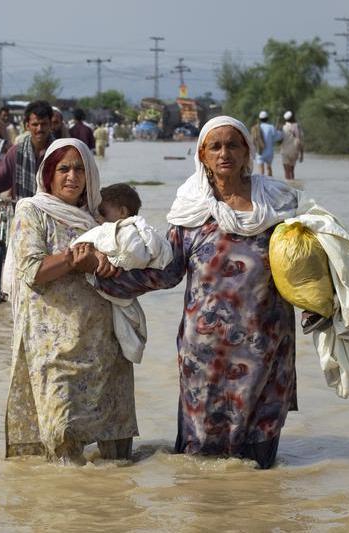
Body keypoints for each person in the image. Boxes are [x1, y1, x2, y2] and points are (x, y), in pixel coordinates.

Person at [91, 116, 301, 469]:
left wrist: (326, 306)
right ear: (202, 155)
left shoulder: (275, 205)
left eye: (233, 145)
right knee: (200, 461)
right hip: (206, 353)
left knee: (259, 459)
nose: (224, 153)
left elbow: (299, 266)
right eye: (215, 146)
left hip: (266, 347)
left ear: (247, 151)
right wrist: (102, 278)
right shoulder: (192, 210)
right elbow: (166, 271)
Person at [5, 137, 138, 464]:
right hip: (54, 347)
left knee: (115, 454)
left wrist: (108, 262)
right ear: (48, 174)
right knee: (62, 436)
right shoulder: (32, 211)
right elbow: (31, 270)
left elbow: (133, 263)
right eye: (63, 168)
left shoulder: (98, 216)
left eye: (80, 169)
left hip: (103, 344)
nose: (72, 176)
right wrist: (71, 259)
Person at [72, 183, 173, 364]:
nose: (98, 218)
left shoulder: (128, 232)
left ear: (122, 212)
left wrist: (113, 261)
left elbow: (134, 254)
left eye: (103, 212)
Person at [0, 100, 53, 200]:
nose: (39, 129)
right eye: (35, 124)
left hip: (52, 210)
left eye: (44, 124)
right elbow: (0, 177)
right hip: (23, 210)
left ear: (50, 125)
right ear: (27, 126)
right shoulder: (16, 152)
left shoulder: (60, 151)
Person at [254, 110, 282, 177]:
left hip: (260, 151)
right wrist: (278, 131)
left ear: (260, 119)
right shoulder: (271, 127)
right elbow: (277, 137)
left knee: (261, 171)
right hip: (269, 152)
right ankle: (270, 183)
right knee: (269, 168)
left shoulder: (257, 128)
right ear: (267, 118)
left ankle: (262, 185)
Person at [280, 110, 304, 180]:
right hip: (295, 152)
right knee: (292, 171)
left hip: (285, 152)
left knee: (287, 173)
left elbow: (279, 140)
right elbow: (301, 141)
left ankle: (288, 189)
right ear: (293, 117)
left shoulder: (283, 128)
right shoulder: (298, 127)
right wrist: (302, 154)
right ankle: (293, 188)